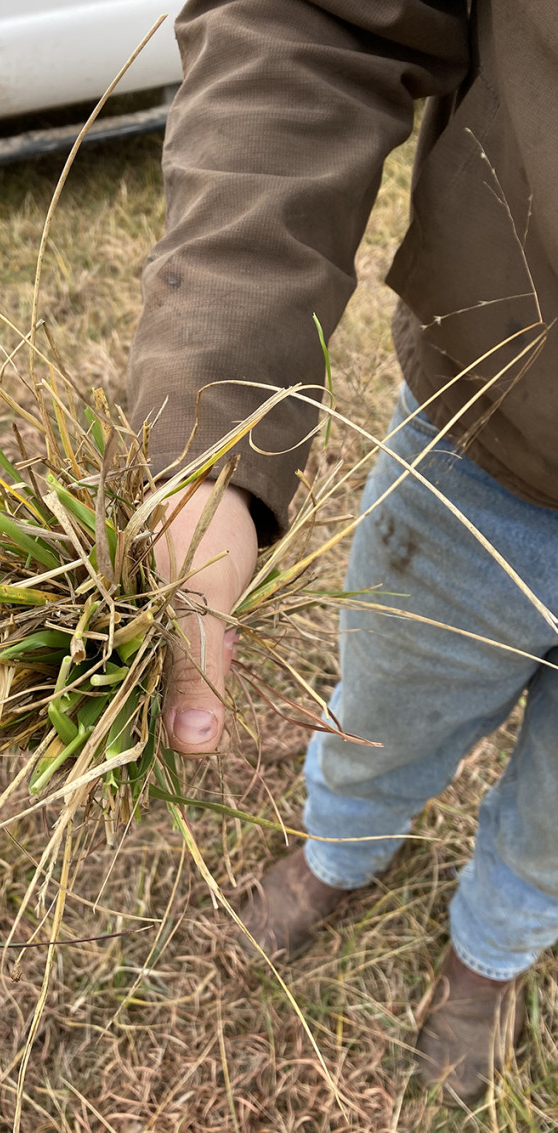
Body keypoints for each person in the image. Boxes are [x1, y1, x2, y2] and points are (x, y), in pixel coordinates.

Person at [126, 0, 558, 1108]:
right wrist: (209, 425)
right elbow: (311, 17)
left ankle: (491, 948)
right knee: (383, 707)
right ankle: (338, 849)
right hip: (490, 450)